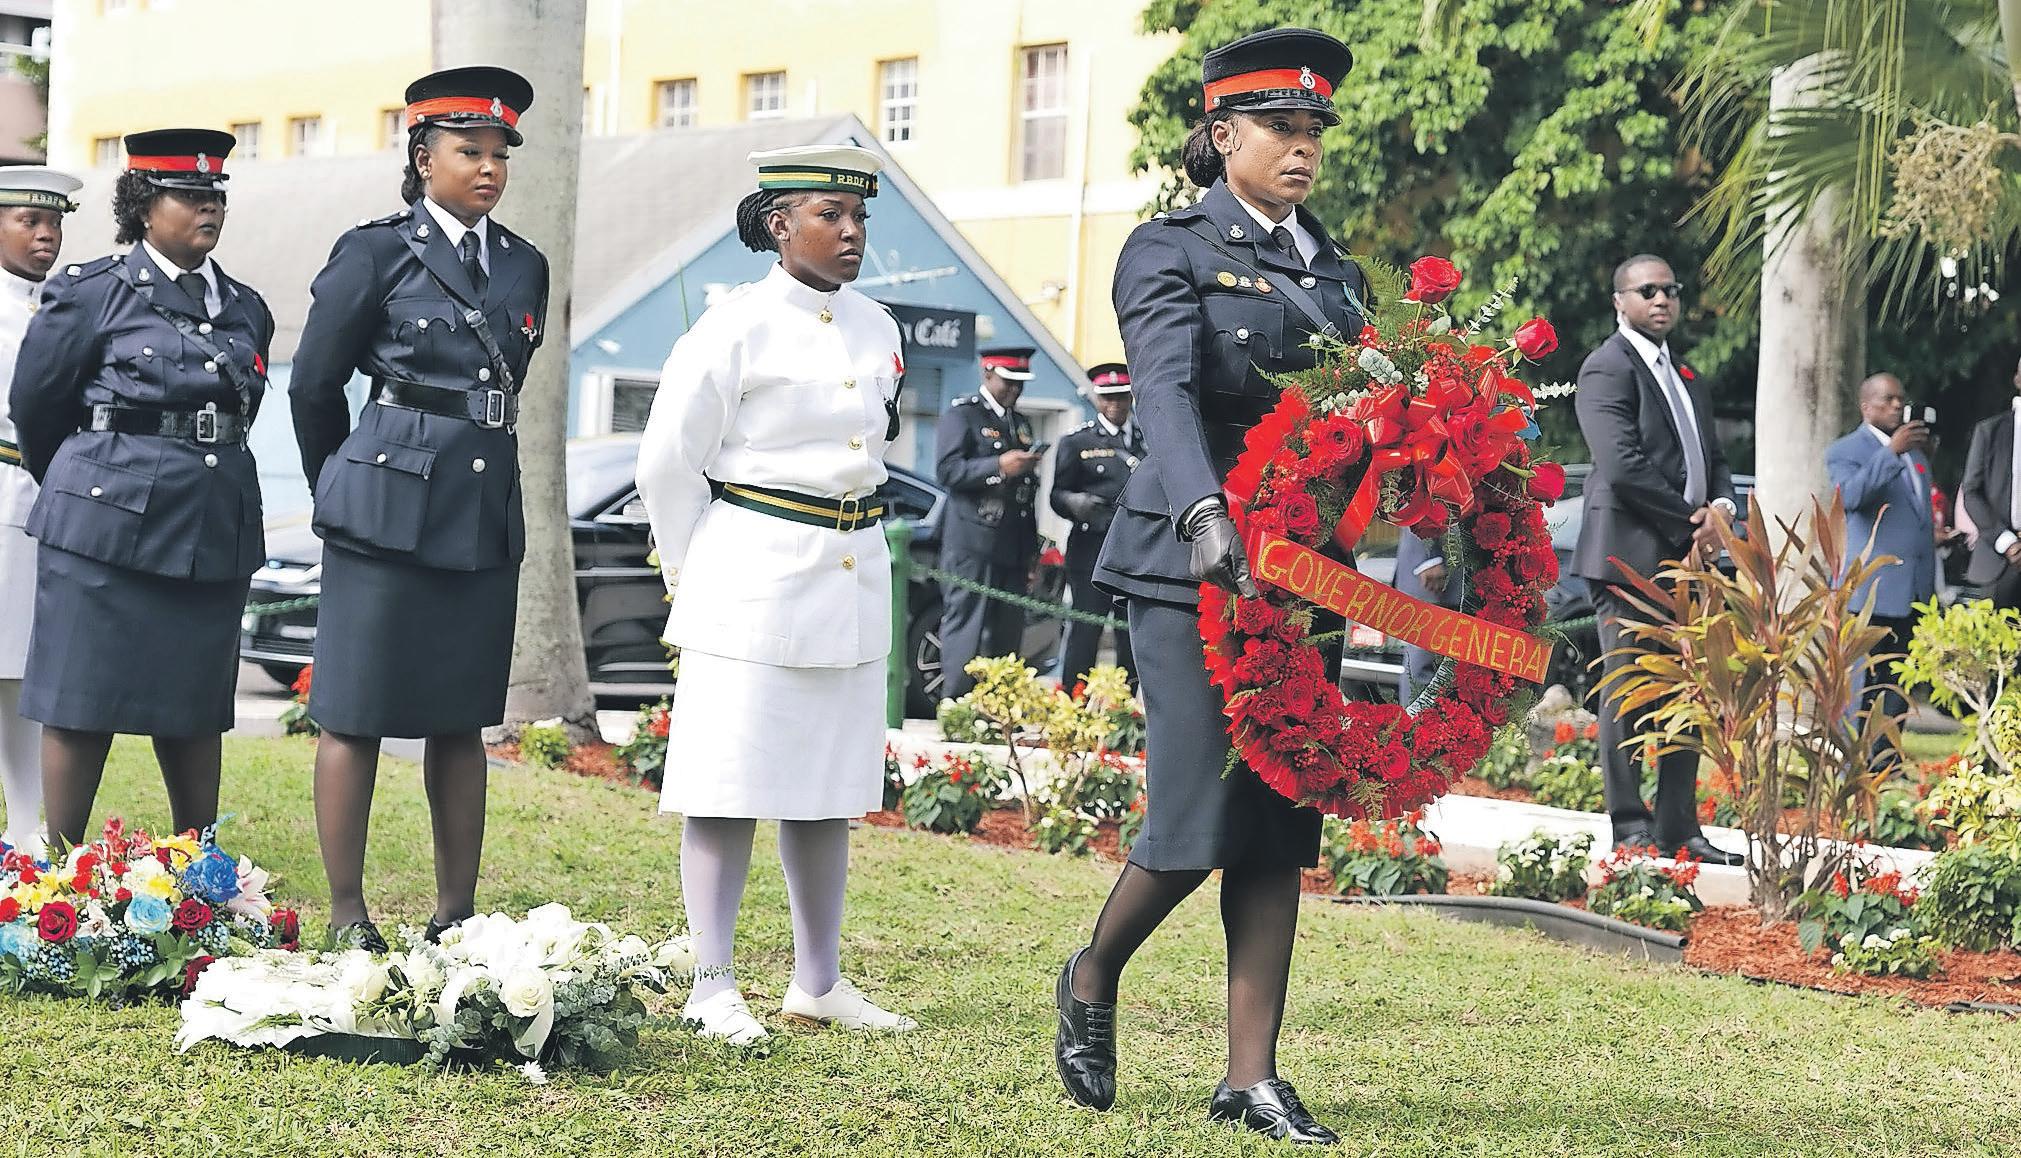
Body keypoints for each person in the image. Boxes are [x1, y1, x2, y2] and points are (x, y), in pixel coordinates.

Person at [1054, 28, 1363, 1144]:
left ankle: (1249, 1078)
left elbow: (1361, 422)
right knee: (1193, 816)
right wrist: (1202, 511)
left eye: (1313, 129)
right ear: (1223, 134)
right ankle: (1091, 972)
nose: (1301, 147)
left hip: (1302, 569)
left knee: (1277, 816)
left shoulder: (1339, 274)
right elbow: (1166, 393)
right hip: (1189, 557)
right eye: (1280, 127)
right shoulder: (1168, 249)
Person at [638, 145, 916, 1045]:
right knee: (725, 785)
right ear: (777, 224)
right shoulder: (731, 328)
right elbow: (666, 466)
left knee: (826, 789)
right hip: (749, 574)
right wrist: (691, 574)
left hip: (851, 569)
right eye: (830, 215)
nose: (851, 232)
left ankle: (817, 982)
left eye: (859, 217)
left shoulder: (878, 325)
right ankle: (710, 984)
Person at [290, 67, 549, 952]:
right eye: (468, 151)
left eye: (499, 155)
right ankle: (347, 914)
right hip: (382, 509)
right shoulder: (374, 252)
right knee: (353, 712)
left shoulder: (524, 264)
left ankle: (455, 915)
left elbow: (503, 388)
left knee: (460, 716)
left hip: (479, 511)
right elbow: (314, 384)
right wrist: (342, 482)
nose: (488, 169)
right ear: (423, 157)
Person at [8, 130, 272, 851]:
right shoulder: (92, 292)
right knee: (79, 701)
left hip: (210, 527)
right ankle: (55, 878)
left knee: (194, 709)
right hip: (100, 529)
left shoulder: (245, 306)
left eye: (215, 195)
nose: (208, 208)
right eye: (188, 196)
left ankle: (199, 869)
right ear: (143, 207)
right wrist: (88, 484)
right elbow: (37, 406)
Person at [1570, 254, 1742, 866]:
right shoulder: (1607, 367)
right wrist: (1692, 521)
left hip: (1691, 564)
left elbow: (1714, 459)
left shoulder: (1687, 375)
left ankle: (1678, 829)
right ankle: (1629, 827)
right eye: (1647, 290)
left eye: (1670, 289)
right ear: (1620, 301)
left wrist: (1722, 508)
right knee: (1627, 692)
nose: (1661, 299)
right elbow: (1622, 465)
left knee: (1688, 693)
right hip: (1629, 559)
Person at [0, 167, 82, 856]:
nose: (46, 235)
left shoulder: (67, 304)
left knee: (26, 671)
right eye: (29, 220)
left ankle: (26, 831)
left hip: (46, 497)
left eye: (54, 222)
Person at [1827, 372, 1938, 771]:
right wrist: (1890, 451)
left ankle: (1885, 767)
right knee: (1862, 685)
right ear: (1866, 406)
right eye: (1888, 399)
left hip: (1912, 590)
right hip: (1870, 592)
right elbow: (1851, 497)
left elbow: (1915, 515)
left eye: (1900, 399)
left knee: (1898, 686)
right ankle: (1853, 769)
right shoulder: (1846, 450)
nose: (1897, 406)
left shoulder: (1916, 454)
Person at [934, 345, 1040, 700]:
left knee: (1008, 634)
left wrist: (1031, 553)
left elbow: (1027, 496)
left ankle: (998, 713)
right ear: (988, 373)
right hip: (971, 543)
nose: (1015, 390)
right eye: (1008, 382)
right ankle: (958, 708)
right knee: (967, 627)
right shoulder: (963, 415)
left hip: (1013, 544)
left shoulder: (1019, 423)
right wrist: (998, 467)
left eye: (1020, 383)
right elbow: (948, 471)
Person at [1050, 362, 1142, 687]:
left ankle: (1125, 707)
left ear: (1130, 397)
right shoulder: (1077, 442)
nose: (1114, 404)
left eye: (1121, 397)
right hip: (1091, 549)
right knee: (1085, 631)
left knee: (1131, 635)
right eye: (1107, 398)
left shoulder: (1146, 440)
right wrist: (1075, 504)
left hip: (1135, 551)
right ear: (1097, 399)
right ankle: (1073, 701)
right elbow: (1056, 495)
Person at [1959, 357, 2021, 608]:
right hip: (1998, 558)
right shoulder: (1989, 431)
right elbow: (1971, 493)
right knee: (1996, 632)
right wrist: (2006, 542)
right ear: (2017, 379)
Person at [1393, 529, 1461, 705]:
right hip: (1436, 580)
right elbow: (1417, 513)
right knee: (1423, 671)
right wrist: (1429, 558)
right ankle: (1414, 721)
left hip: (1462, 579)